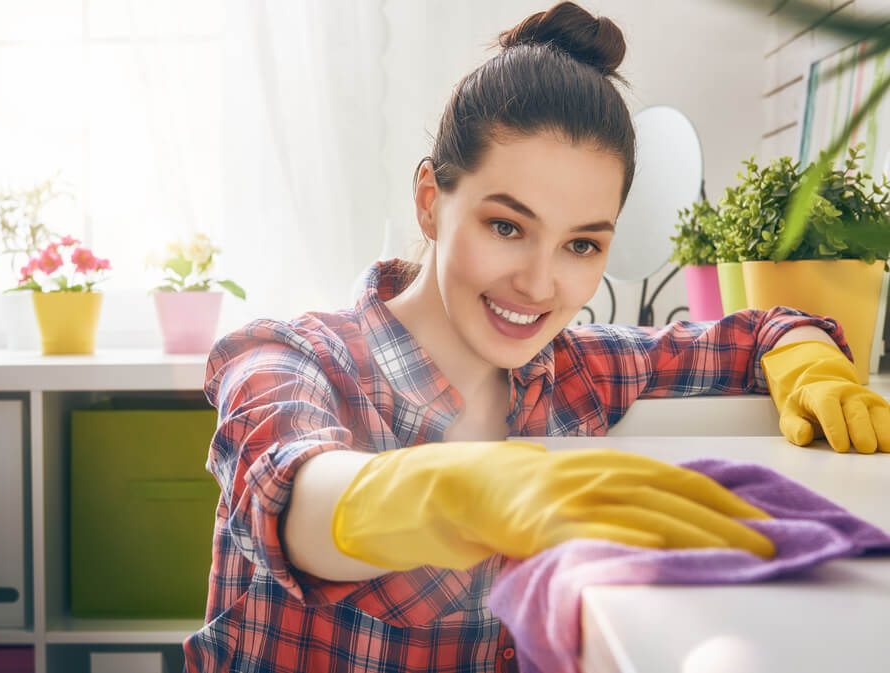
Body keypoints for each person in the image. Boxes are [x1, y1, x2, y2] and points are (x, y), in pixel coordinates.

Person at [184, 3, 890, 671]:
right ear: (431, 201)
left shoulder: (578, 372)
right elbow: (296, 498)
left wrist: (807, 356)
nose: (540, 284)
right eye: (507, 226)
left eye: (581, 245)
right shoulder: (291, 357)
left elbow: (761, 330)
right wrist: (458, 490)